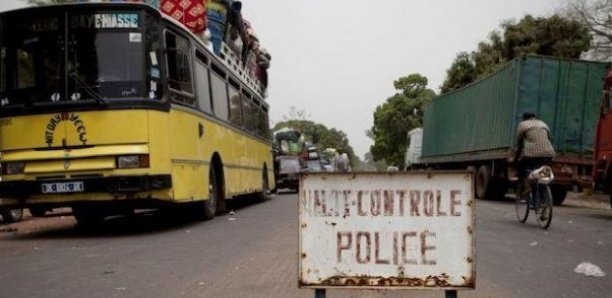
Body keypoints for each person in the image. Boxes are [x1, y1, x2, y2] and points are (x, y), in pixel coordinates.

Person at [514, 112, 556, 197]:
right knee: (542, 172)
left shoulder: (523, 124)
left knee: (522, 167)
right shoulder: (543, 124)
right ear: (534, 117)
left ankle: (527, 186)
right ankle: (544, 192)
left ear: (524, 118)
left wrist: (516, 158)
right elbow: (549, 139)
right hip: (549, 153)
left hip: (532, 155)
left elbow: (520, 144)